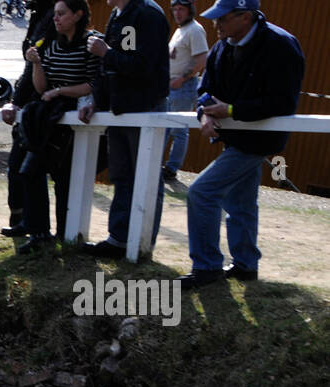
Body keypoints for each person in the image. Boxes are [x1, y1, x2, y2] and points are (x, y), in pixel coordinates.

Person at [181, 0, 303, 289]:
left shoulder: (281, 45)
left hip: (258, 139)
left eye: (222, 19)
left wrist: (232, 111)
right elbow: (205, 88)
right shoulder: (223, 43)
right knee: (241, 203)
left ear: (245, 17)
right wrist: (203, 114)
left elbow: (283, 102)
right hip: (233, 136)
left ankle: (207, 267)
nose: (216, 24)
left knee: (201, 193)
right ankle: (246, 266)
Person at [79, 0, 170, 259]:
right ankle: (119, 238)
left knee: (147, 174)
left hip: (143, 107)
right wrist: (96, 100)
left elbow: (142, 65)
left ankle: (141, 243)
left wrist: (106, 52)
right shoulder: (118, 14)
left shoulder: (146, 14)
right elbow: (110, 68)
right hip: (120, 107)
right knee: (122, 174)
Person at [15, 0, 100, 253]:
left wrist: (60, 91)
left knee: (64, 179)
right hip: (49, 118)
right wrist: (37, 64)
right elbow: (41, 88)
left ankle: (67, 234)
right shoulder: (51, 42)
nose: (56, 19)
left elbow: (93, 84)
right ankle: (39, 232)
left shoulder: (91, 42)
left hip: (75, 118)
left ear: (78, 15)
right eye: (55, 14)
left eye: (62, 14)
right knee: (30, 171)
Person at [0, 0, 57, 235]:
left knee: (32, 168)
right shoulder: (40, 14)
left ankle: (37, 227)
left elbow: (42, 62)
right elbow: (29, 65)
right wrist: (15, 101)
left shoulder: (52, 15)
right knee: (18, 167)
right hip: (31, 104)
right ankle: (22, 221)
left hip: (46, 105)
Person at [162, 1, 209, 181]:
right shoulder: (180, 29)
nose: (177, 13)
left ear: (190, 10)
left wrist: (181, 79)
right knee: (166, 126)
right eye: (174, 9)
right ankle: (161, 163)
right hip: (171, 85)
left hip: (183, 86)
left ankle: (171, 168)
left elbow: (201, 60)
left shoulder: (195, 30)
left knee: (179, 130)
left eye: (181, 9)